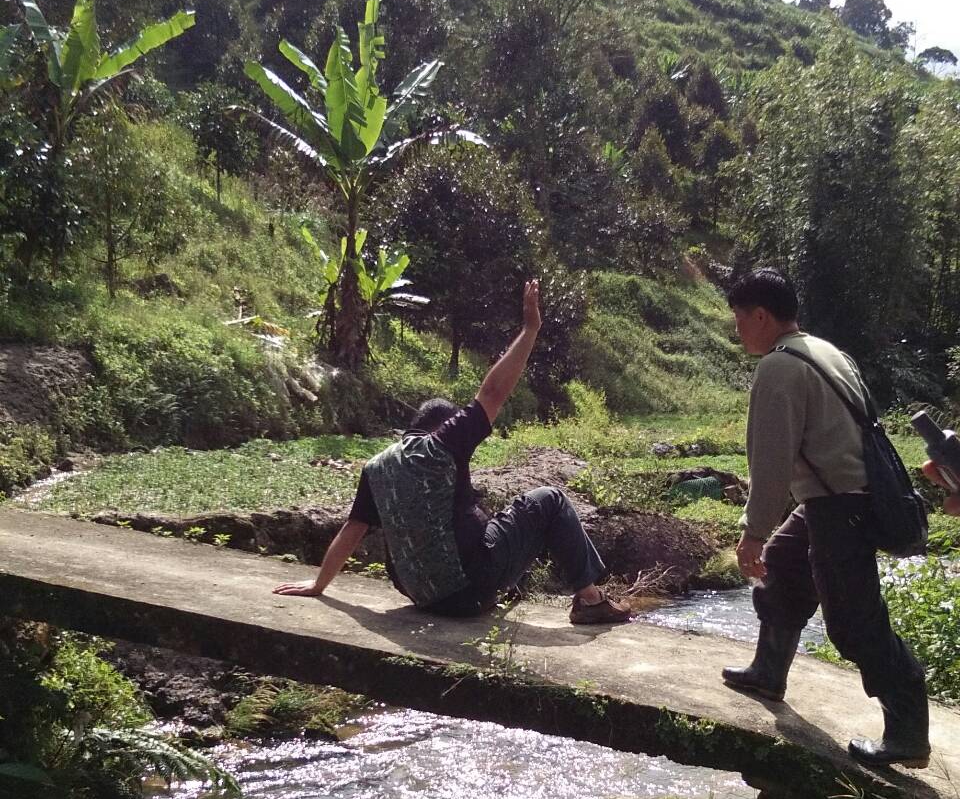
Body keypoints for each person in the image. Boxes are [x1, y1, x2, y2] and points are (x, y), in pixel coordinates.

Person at [274, 280, 632, 626]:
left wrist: (319, 584)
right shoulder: (443, 443)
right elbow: (492, 393)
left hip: (421, 595)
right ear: (441, 427)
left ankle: (509, 590)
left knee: (487, 519)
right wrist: (530, 330)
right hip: (468, 589)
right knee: (549, 500)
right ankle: (590, 599)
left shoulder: (376, 467)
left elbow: (352, 530)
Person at [721, 266, 929, 770]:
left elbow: (770, 462)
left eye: (739, 318)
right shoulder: (825, 351)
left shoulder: (779, 367)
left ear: (762, 316)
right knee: (784, 566)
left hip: (841, 507)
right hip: (838, 499)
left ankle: (909, 733)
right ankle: (768, 672)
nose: (736, 330)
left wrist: (752, 532)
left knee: (856, 623)